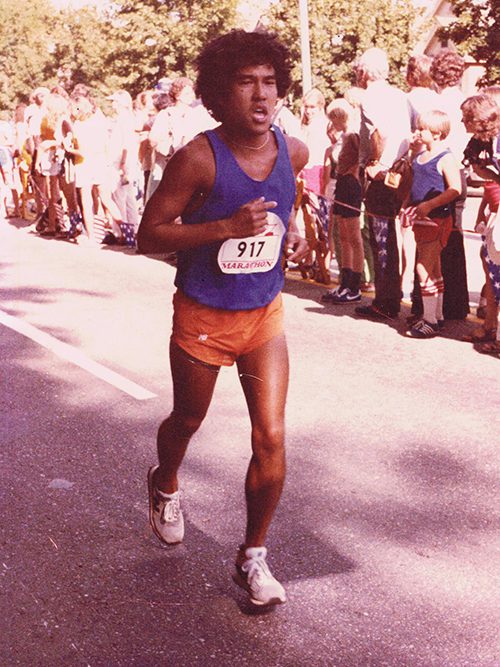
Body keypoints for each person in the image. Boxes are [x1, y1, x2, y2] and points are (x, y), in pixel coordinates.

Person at [137, 30, 309, 607]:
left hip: (263, 314)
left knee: (273, 435)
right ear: (218, 94)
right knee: (188, 419)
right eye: (245, 83)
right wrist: (223, 229)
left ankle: (252, 557)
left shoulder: (296, 150)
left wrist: (296, 234)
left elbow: (286, 204)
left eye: (269, 82)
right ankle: (164, 483)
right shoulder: (196, 160)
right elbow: (148, 235)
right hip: (203, 318)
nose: (261, 96)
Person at [355, 47, 411, 321]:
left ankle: (385, 301)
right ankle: (391, 296)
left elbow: (381, 132)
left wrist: (376, 164)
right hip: (400, 171)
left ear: (364, 71)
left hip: (382, 175)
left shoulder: (370, 97)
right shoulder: (400, 95)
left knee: (381, 238)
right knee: (390, 234)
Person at [402, 110, 461, 338]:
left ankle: (430, 321)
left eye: (422, 129)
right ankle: (436, 315)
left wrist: (429, 205)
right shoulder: (419, 156)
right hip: (421, 220)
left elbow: (455, 188)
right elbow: (412, 185)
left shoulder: (445, 157)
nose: (418, 132)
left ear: (437, 134)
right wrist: (406, 205)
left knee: (422, 267)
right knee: (434, 268)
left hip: (436, 219)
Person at [460, 92, 500, 354]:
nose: (463, 123)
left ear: (480, 119)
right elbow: (479, 171)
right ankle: (490, 326)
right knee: (490, 261)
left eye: (466, 118)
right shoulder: (479, 142)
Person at [321, 101, 364, 303]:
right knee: (343, 236)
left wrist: (354, 174)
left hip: (350, 185)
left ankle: (355, 284)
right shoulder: (341, 137)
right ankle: (345, 281)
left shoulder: (352, 135)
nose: (331, 123)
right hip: (341, 183)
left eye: (333, 118)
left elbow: (361, 157)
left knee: (354, 236)